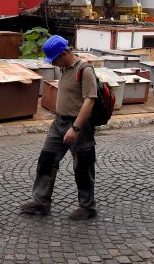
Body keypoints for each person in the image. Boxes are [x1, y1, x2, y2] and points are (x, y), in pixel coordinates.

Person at [20, 35, 98, 220]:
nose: (53, 63)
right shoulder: (64, 68)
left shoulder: (85, 70)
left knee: (83, 166)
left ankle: (87, 207)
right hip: (59, 123)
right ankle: (41, 203)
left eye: (55, 59)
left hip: (80, 126)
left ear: (64, 53)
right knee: (46, 159)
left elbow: (89, 102)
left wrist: (76, 128)